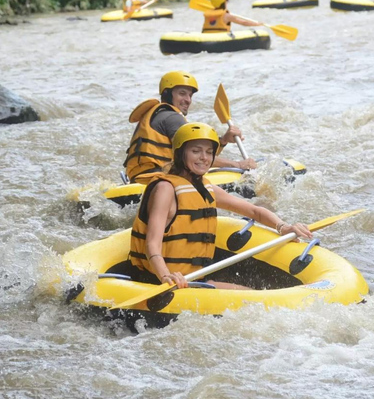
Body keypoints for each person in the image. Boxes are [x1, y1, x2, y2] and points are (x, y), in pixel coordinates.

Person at [129, 122, 313, 289]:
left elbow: (253, 211)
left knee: (250, 294)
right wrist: (165, 276)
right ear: (180, 153)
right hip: (159, 282)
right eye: (196, 151)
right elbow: (152, 244)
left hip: (193, 279)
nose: (204, 158)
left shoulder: (205, 187)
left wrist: (283, 226)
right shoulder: (165, 189)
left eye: (209, 152)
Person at [124, 71, 257, 185]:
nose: (188, 100)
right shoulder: (172, 118)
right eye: (182, 93)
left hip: (140, 178)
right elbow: (199, 157)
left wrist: (223, 141)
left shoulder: (156, 113)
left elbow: (195, 153)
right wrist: (238, 165)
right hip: (156, 180)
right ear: (167, 94)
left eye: (190, 95)